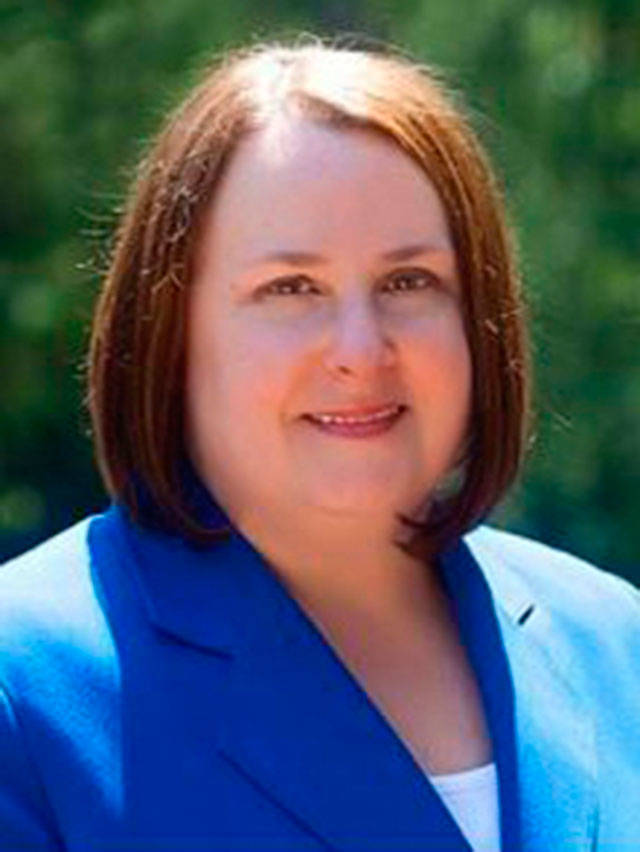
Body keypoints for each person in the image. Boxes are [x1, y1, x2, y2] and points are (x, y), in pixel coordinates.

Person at [0, 39, 638, 852]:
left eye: (409, 281)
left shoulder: (612, 639)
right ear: (171, 333)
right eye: (291, 288)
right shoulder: (26, 683)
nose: (360, 350)